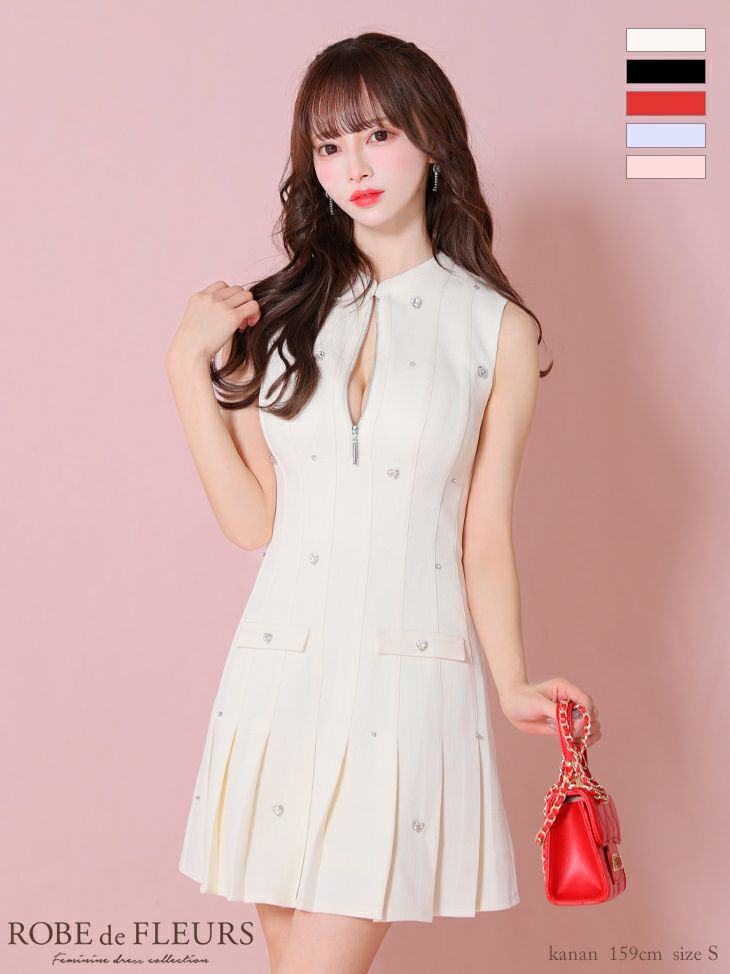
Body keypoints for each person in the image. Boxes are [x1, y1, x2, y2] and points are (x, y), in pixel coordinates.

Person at [165, 31, 601, 974]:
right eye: (329, 146)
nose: (354, 168)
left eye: (377, 135)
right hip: (280, 673)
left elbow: (484, 530)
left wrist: (512, 679)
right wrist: (183, 371)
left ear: (432, 139)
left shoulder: (495, 328)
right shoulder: (277, 315)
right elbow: (253, 522)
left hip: (407, 682)